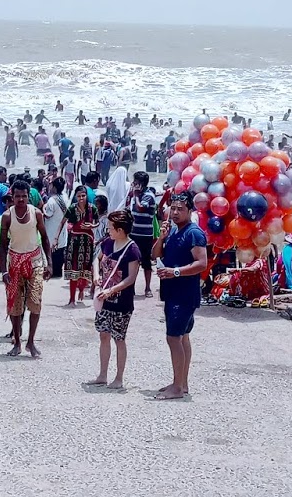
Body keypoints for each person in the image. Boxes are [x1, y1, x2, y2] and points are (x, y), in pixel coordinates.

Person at [151, 193, 207, 401]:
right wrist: (162, 237)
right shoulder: (174, 231)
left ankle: (177, 388)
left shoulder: (194, 233)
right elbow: (155, 255)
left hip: (184, 293)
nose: (175, 212)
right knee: (182, 337)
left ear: (190, 210)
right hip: (172, 292)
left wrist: (175, 272)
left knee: (173, 337)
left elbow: (202, 263)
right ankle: (181, 383)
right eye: (173, 208)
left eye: (180, 209)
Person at [0, 181, 50, 358]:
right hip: (14, 263)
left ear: (28, 196)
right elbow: (2, 245)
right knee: (15, 306)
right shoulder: (7, 216)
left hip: (34, 262)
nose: (21, 199)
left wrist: (50, 264)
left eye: (24, 196)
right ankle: (17, 341)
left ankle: (31, 342)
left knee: (35, 303)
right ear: (12, 197)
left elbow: (45, 239)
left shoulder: (37, 214)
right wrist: (3, 270)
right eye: (17, 196)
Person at [86, 210, 141, 390]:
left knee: (119, 338)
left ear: (120, 229)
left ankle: (119, 378)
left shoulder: (132, 249)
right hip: (104, 299)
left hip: (121, 302)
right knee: (103, 335)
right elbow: (96, 259)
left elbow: (131, 278)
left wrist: (112, 290)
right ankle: (102, 375)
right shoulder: (108, 243)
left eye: (111, 227)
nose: (108, 230)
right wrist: (96, 277)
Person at [126, 172, 159, 296]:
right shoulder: (136, 196)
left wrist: (135, 196)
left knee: (146, 262)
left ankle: (147, 288)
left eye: (136, 182)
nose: (133, 184)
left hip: (145, 234)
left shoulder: (148, 196)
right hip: (134, 232)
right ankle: (131, 286)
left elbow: (140, 208)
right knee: (133, 261)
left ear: (141, 184)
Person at [64, 184, 96, 306]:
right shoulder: (72, 208)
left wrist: (92, 226)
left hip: (87, 242)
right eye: (79, 196)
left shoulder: (92, 208)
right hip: (74, 241)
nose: (81, 198)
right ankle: (72, 298)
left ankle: (82, 290)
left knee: (84, 268)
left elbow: (97, 222)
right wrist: (57, 237)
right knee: (74, 268)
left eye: (83, 196)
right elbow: (64, 222)